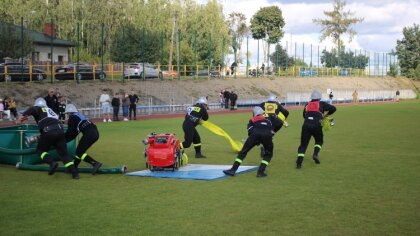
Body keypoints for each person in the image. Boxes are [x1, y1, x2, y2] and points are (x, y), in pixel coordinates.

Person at [15, 98, 79, 179]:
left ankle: (52, 163)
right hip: (60, 131)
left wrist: (19, 120)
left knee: (40, 150)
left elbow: (27, 113)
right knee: (64, 154)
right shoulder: (51, 110)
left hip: (48, 131)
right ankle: (75, 173)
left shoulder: (37, 108)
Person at [223, 107, 274, 177]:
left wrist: (255, 140)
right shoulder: (268, 121)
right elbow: (272, 132)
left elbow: (250, 131)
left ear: (254, 113)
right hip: (267, 137)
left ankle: (233, 170)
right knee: (268, 155)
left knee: (243, 152)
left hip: (254, 135)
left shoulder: (252, 120)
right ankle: (260, 172)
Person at [296, 90, 336, 169]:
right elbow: (333, 108)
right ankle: (315, 154)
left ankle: (299, 163)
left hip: (306, 125)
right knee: (319, 141)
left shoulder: (307, 104)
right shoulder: (321, 103)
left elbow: (304, 115)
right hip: (317, 125)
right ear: (319, 97)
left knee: (303, 145)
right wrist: (325, 115)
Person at [64, 104, 102, 175]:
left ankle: (95, 163)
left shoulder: (72, 117)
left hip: (89, 133)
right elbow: (75, 132)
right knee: (80, 151)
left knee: (79, 152)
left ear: (69, 112)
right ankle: (74, 166)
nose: (67, 115)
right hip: (95, 132)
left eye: (67, 113)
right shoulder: (79, 116)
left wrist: (64, 140)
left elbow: (71, 132)